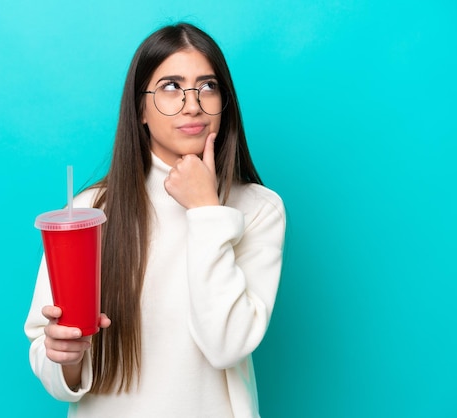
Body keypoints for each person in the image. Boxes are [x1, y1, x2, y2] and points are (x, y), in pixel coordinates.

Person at [24, 22, 286, 418]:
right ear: (140, 109)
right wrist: (65, 357)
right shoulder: (90, 211)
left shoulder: (258, 208)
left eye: (208, 86)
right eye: (170, 87)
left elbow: (227, 345)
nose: (192, 104)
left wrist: (205, 211)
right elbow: (52, 359)